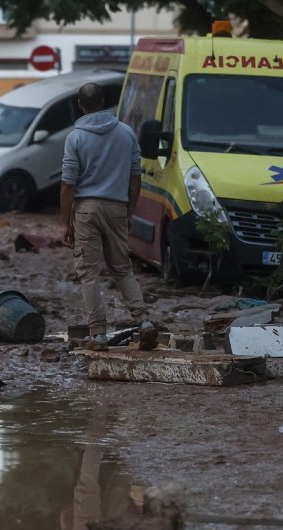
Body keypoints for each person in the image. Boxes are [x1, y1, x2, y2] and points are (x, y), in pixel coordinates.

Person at [59, 82, 157, 351]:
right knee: (123, 269)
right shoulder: (126, 134)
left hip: (87, 209)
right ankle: (144, 322)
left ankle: (99, 335)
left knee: (89, 274)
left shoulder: (75, 138)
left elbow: (68, 184)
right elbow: (135, 177)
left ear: (80, 104)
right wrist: (129, 211)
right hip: (117, 207)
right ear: (103, 103)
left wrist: (64, 222)